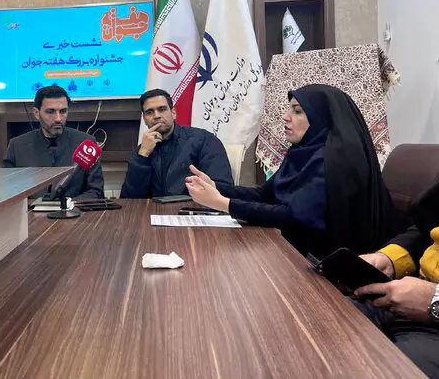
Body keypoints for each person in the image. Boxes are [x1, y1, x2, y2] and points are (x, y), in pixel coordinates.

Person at [185, 84, 393, 258]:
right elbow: (266, 194)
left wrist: (223, 204)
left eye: (297, 111)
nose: (285, 117)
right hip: (297, 253)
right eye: (289, 109)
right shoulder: (302, 152)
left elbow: (294, 218)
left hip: (329, 268)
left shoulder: (333, 161)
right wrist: (217, 188)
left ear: (321, 118)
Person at [354, 182, 439, 378]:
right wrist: (390, 259)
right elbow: (429, 230)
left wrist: (435, 299)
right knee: (318, 318)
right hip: (408, 292)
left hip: (431, 321)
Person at [120, 88, 232, 199]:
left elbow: (224, 190)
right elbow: (129, 199)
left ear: (173, 113)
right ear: (144, 119)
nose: (156, 115)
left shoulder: (204, 140)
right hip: (153, 210)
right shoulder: (141, 151)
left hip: (193, 208)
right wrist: (143, 156)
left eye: (162, 109)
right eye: (150, 112)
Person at [2, 86, 104, 199]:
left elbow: (96, 192)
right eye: (50, 112)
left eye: (63, 111)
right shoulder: (16, 147)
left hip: (74, 209)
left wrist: (67, 205)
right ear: (36, 113)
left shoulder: (86, 145)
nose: (58, 119)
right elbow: (7, 194)